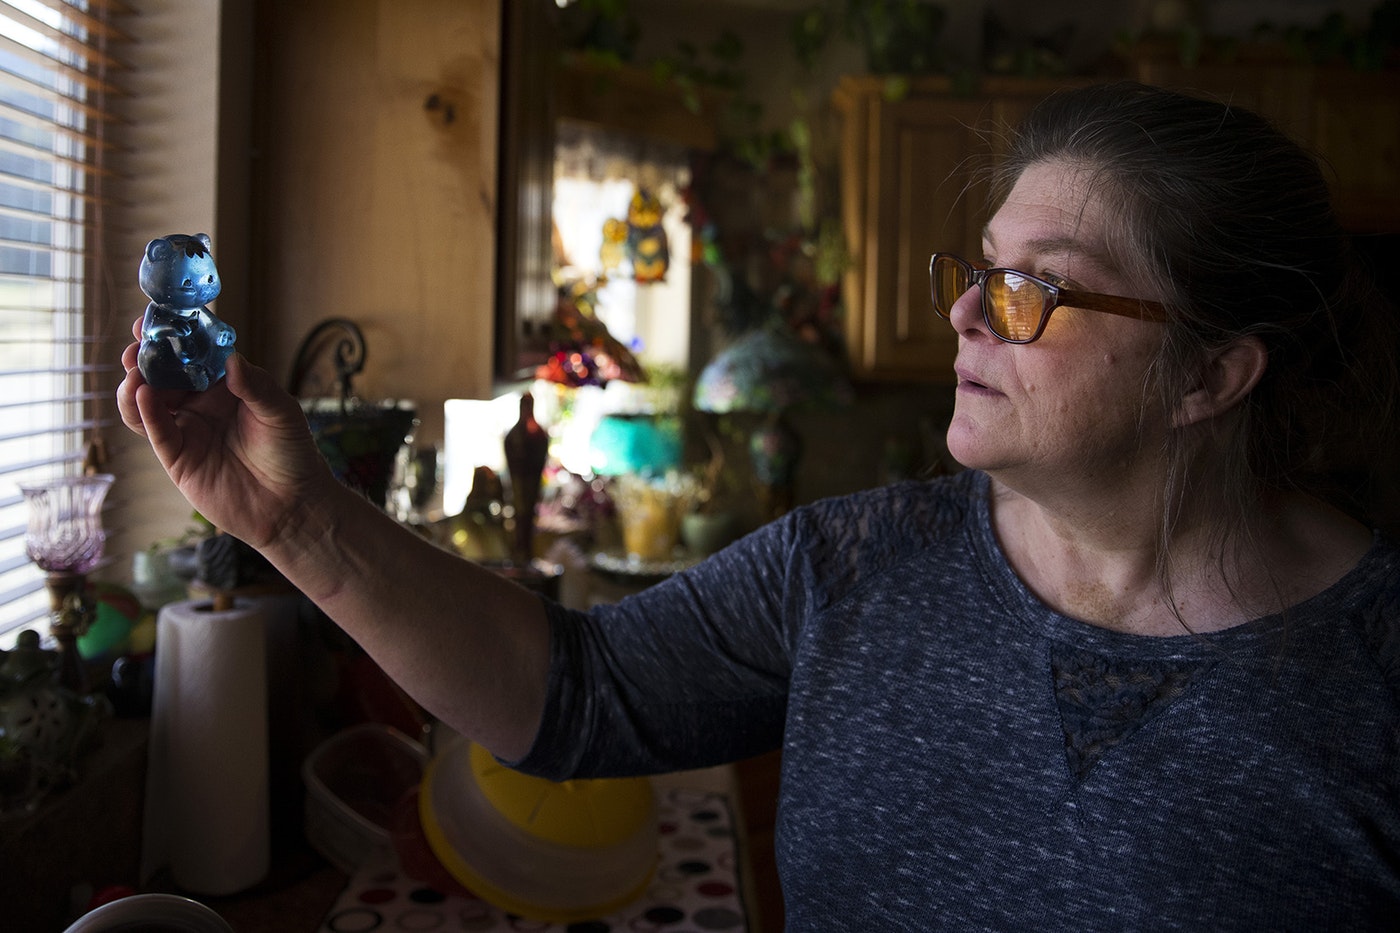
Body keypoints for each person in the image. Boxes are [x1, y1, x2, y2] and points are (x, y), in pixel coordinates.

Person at [119, 82, 1400, 929]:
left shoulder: (1370, 670)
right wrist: (295, 524)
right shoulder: (850, 565)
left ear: (1212, 375)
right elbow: (567, 697)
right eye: (980, 271)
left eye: (1034, 291)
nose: (960, 312)